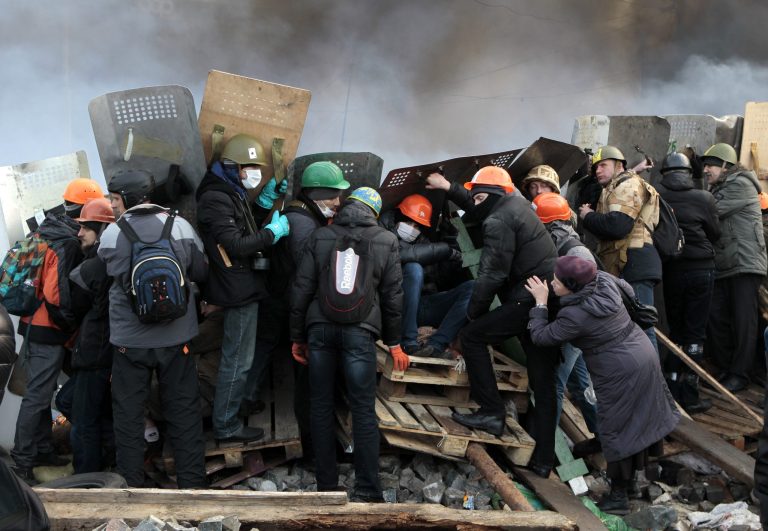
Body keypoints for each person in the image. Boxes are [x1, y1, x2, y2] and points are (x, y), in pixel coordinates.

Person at [426, 167, 560, 477]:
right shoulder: (515, 205)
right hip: (546, 296)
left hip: (528, 297)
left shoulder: (498, 220)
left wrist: (473, 313)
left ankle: (491, 413)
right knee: (543, 378)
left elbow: (492, 274)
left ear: (488, 195)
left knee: (473, 336)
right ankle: (543, 459)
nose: (473, 200)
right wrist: (450, 186)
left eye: (477, 194)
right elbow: (479, 202)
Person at [525, 255, 679, 514]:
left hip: (619, 369)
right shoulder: (604, 280)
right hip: (640, 351)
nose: (552, 284)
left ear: (572, 285)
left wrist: (540, 305)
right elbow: (628, 289)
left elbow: (542, 336)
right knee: (636, 420)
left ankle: (619, 495)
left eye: (556, 281)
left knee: (617, 427)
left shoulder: (576, 314)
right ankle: (628, 481)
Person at [290, 187, 404, 502]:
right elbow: (394, 296)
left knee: (321, 404)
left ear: (347, 207)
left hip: (320, 330)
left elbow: (301, 288)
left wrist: (297, 336)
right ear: (374, 213)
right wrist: (394, 342)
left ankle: (326, 486)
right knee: (363, 409)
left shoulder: (320, 236)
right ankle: (368, 489)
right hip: (360, 330)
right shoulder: (386, 240)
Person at [98, 171, 209, 488]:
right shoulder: (180, 226)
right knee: (184, 410)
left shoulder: (112, 234)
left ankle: (131, 487)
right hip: (177, 339)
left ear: (129, 199)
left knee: (129, 415)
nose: (112, 205)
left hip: (128, 343)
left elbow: (106, 271)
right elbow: (201, 270)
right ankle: (193, 486)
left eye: (115, 199)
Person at [195, 133, 290, 443]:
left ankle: (228, 416)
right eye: (250, 167)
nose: (255, 173)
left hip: (239, 285)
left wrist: (262, 204)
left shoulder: (227, 192)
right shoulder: (215, 198)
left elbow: (240, 227)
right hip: (236, 289)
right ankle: (226, 425)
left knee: (238, 356)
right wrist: (272, 234)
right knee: (238, 359)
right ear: (234, 167)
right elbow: (236, 244)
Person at [254, 160, 350, 449]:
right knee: (296, 371)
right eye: (333, 195)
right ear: (316, 193)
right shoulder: (302, 222)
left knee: (264, 351)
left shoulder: (303, 214)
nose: (337, 201)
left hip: (282, 299)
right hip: (288, 303)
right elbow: (310, 268)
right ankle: (310, 439)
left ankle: (247, 401)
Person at [11, 182, 85, 485]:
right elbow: (57, 296)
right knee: (38, 396)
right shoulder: (65, 241)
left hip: (30, 324)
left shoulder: (42, 231)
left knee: (37, 393)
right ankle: (22, 462)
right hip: (47, 329)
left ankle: (41, 450)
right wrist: (70, 325)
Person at [654, 152, 720, 410]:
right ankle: (690, 394)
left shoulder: (657, 196)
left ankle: (670, 388)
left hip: (672, 270)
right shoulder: (704, 198)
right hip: (702, 269)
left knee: (676, 331)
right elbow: (715, 233)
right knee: (695, 333)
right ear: (689, 172)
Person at [579, 145, 661, 351]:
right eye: (595, 167)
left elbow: (618, 225)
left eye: (603, 165)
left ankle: (654, 381)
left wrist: (589, 216)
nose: (598, 170)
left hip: (635, 261)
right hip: (628, 262)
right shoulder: (618, 185)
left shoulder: (628, 185)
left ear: (619, 166)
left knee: (643, 326)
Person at [702, 143, 767, 392]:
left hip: (744, 263)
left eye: (711, 165)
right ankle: (729, 368)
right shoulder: (719, 187)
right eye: (705, 165)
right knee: (718, 317)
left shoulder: (739, 184)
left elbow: (712, 213)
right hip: (726, 263)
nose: (706, 170)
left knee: (743, 321)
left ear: (726, 166)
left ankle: (740, 374)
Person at [531, 192, 598, 434]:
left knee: (554, 383)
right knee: (580, 383)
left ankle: (544, 445)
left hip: (574, 327)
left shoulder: (576, 254)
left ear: (548, 224)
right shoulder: (563, 243)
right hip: (575, 327)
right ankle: (602, 437)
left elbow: (585, 298)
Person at [379, 193, 472, 358]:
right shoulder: (382, 234)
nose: (412, 229)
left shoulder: (424, 244)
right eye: (408, 222)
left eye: (417, 226)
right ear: (397, 217)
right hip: (391, 307)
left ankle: (436, 344)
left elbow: (441, 279)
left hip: (421, 306)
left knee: (473, 287)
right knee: (414, 268)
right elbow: (401, 254)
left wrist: (450, 244)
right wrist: (442, 249)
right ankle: (408, 342)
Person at [67, 198, 117, 473]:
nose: (79, 233)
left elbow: (75, 307)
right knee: (71, 403)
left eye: (85, 227)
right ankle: (108, 455)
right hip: (100, 351)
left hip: (94, 353)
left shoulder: (94, 266)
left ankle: (86, 480)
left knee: (83, 423)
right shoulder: (109, 258)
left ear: (101, 228)